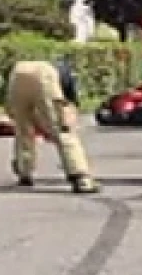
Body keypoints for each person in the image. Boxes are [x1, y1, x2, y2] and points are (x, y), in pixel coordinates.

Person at [6, 57, 99, 193]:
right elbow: (68, 102)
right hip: (44, 76)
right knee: (62, 130)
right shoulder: (66, 74)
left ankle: (24, 171)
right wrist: (67, 118)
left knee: (23, 129)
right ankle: (81, 177)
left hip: (18, 72)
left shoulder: (49, 65)